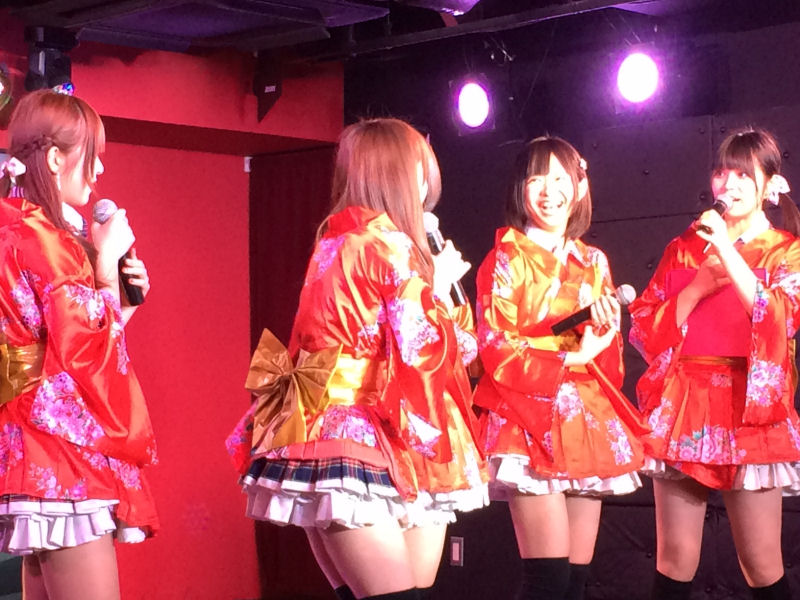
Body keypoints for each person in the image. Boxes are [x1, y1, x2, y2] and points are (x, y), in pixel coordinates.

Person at [226, 117, 487, 600]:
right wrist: (435, 286)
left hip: (334, 428)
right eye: (419, 172)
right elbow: (426, 348)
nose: (426, 187)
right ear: (397, 175)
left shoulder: (337, 239)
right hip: (360, 431)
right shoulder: (387, 246)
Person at [629, 128, 800, 600]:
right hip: (686, 404)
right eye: (723, 172)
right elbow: (644, 327)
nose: (731, 184)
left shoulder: (786, 249)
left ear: (770, 184)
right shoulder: (684, 246)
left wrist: (725, 248)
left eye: (745, 174)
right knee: (675, 559)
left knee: (761, 564)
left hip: (748, 409)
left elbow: (782, 318)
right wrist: (697, 286)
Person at [472, 135, 646, 600]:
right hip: (529, 416)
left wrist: (603, 334)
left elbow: (607, 362)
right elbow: (496, 343)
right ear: (520, 189)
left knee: (574, 581)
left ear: (580, 186)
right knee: (546, 579)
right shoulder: (505, 257)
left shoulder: (593, 260)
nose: (548, 191)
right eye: (536, 179)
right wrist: (572, 355)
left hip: (585, 417)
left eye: (559, 178)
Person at [0, 90, 158, 600]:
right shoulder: (49, 242)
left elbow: (60, 343)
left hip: (27, 439)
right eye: (92, 155)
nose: (99, 171)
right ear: (53, 159)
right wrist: (106, 268)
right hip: (59, 449)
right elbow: (83, 357)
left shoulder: (16, 227)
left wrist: (120, 304)